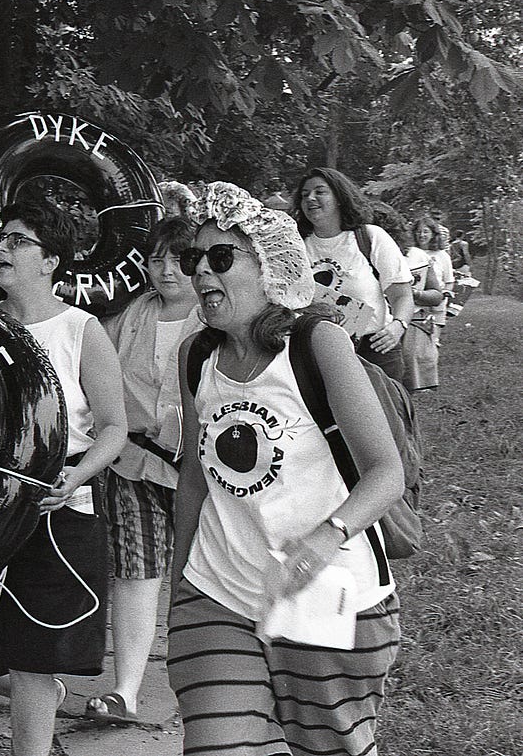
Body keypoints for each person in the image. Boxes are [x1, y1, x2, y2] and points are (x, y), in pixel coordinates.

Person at [168, 182, 403, 756]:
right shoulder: (195, 355)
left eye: (221, 257)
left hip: (325, 595)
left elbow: (385, 472)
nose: (202, 271)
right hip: (218, 590)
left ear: (269, 266)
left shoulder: (318, 344)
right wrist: (179, 584)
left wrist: (326, 537)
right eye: (194, 258)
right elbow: (195, 476)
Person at [0, 198, 128, 756]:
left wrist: (77, 476)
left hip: (53, 504)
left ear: (50, 261)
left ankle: (36, 722)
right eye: (1, 240)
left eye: (18, 241)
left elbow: (114, 427)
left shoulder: (80, 331)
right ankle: (44, 694)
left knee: (34, 657)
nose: (2, 248)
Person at [84, 216, 200, 724]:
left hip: (203, 473)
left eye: (179, 260)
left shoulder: (219, 315)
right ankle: (126, 692)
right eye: (156, 260)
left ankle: (215, 682)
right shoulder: (128, 314)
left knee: (205, 574)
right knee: (136, 571)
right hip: (132, 465)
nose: (167, 271)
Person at [294, 167, 413, 381]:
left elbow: (402, 295)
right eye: (304, 195)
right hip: (317, 351)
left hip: (373, 349)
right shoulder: (295, 245)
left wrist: (398, 326)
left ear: (340, 198)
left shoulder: (370, 237)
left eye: (320, 192)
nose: (310, 198)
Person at [400, 220, 445, 392]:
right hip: (376, 324)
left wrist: (415, 294)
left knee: (410, 373)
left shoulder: (417, 256)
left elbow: (436, 295)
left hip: (413, 321)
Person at [415, 217, 455, 346]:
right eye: (418, 231)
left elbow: (449, 281)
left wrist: (444, 294)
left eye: (426, 231)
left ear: (433, 234)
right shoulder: (410, 253)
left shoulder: (442, 255)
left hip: (436, 303)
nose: (422, 235)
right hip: (416, 303)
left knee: (433, 341)